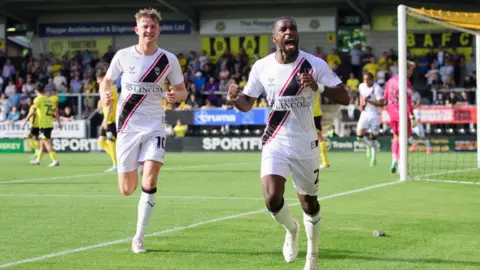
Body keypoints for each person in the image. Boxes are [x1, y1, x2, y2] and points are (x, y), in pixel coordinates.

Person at [226, 17, 349, 270]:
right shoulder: (261, 67)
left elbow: (345, 96)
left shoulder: (314, 64)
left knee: (310, 204)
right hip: (275, 141)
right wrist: (234, 99)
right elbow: (246, 103)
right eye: (284, 30)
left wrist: (319, 86)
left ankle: (312, 256)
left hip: (306, 144)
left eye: (293, 29)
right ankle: (291, 230)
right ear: (275, 39)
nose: (289, 32)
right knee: (272, 198)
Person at [99, 8, 187, 254]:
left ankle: (138, 237)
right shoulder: (123, 56)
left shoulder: (167, 59)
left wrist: (175, 95)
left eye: (153, 27)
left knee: (150, 179)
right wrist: (104, 93)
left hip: (154, 125)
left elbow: (182, 91)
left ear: (159, 30)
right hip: (127, 127)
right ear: (137, 30)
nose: (149, 30)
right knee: (127, 189)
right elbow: (106, 81)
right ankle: (136, 164)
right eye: (145, 27)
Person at [383, 61, 417, 174]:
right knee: (404, 138)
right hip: (402, 113)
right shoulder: (405, 82)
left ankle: (394, 160)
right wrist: (411, 114)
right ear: (407, 69)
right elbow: (407, 100)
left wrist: (390, 110)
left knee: (396, 137)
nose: (412, 72)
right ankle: (402, 164)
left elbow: (386, 97)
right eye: (411, 69)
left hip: (392, 113)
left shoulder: (390, 81)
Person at [22, 84, 62, 167]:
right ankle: (38, 160)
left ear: (36, 91)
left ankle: (54, 160)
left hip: (44, 125)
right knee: (42, 143)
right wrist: (59, 123)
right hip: (49, 124)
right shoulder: (49, 100)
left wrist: (25, 121)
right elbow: (56, 112)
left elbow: (32, 111)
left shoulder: (38, 99)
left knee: (46, 142)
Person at [356, 72, 384, 167]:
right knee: (359, 135)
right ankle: (368, 146)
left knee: (373, 137)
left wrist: (368, 101)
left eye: (368, 80)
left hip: (375, 114)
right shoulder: (361, 86)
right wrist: (360, 104)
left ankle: (373, 159)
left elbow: (381, 104)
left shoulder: (377, 89)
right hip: (365, 113)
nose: (366, 82)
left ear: (372, 79)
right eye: (364, 79)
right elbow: (361, 96)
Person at [97, 71, 119, 172]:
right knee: (101, 142)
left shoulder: (110, 89)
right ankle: (117, 160)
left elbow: (110, 106)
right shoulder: (105, 89)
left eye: (99, 79)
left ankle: (116, 164)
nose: (97, 81)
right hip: (107, 119)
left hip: (111, 120)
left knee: (111, 141)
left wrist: (105, 120)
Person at [409, 88, 432, 154]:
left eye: (412, 104)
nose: (411, 105)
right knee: (407, 136)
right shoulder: (410, 110)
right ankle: (414, 144)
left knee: (422, 138)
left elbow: (418, 119)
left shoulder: (417, 111)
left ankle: (429, 148)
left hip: (418, 126)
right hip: (412, 126)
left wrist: (412, 121)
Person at [313, 92, 330, 169]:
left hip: (310, 113)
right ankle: (325, 161)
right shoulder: (316, 85)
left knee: (318, 136)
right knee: (319, 136)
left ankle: (325, 162)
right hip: (317, 113)